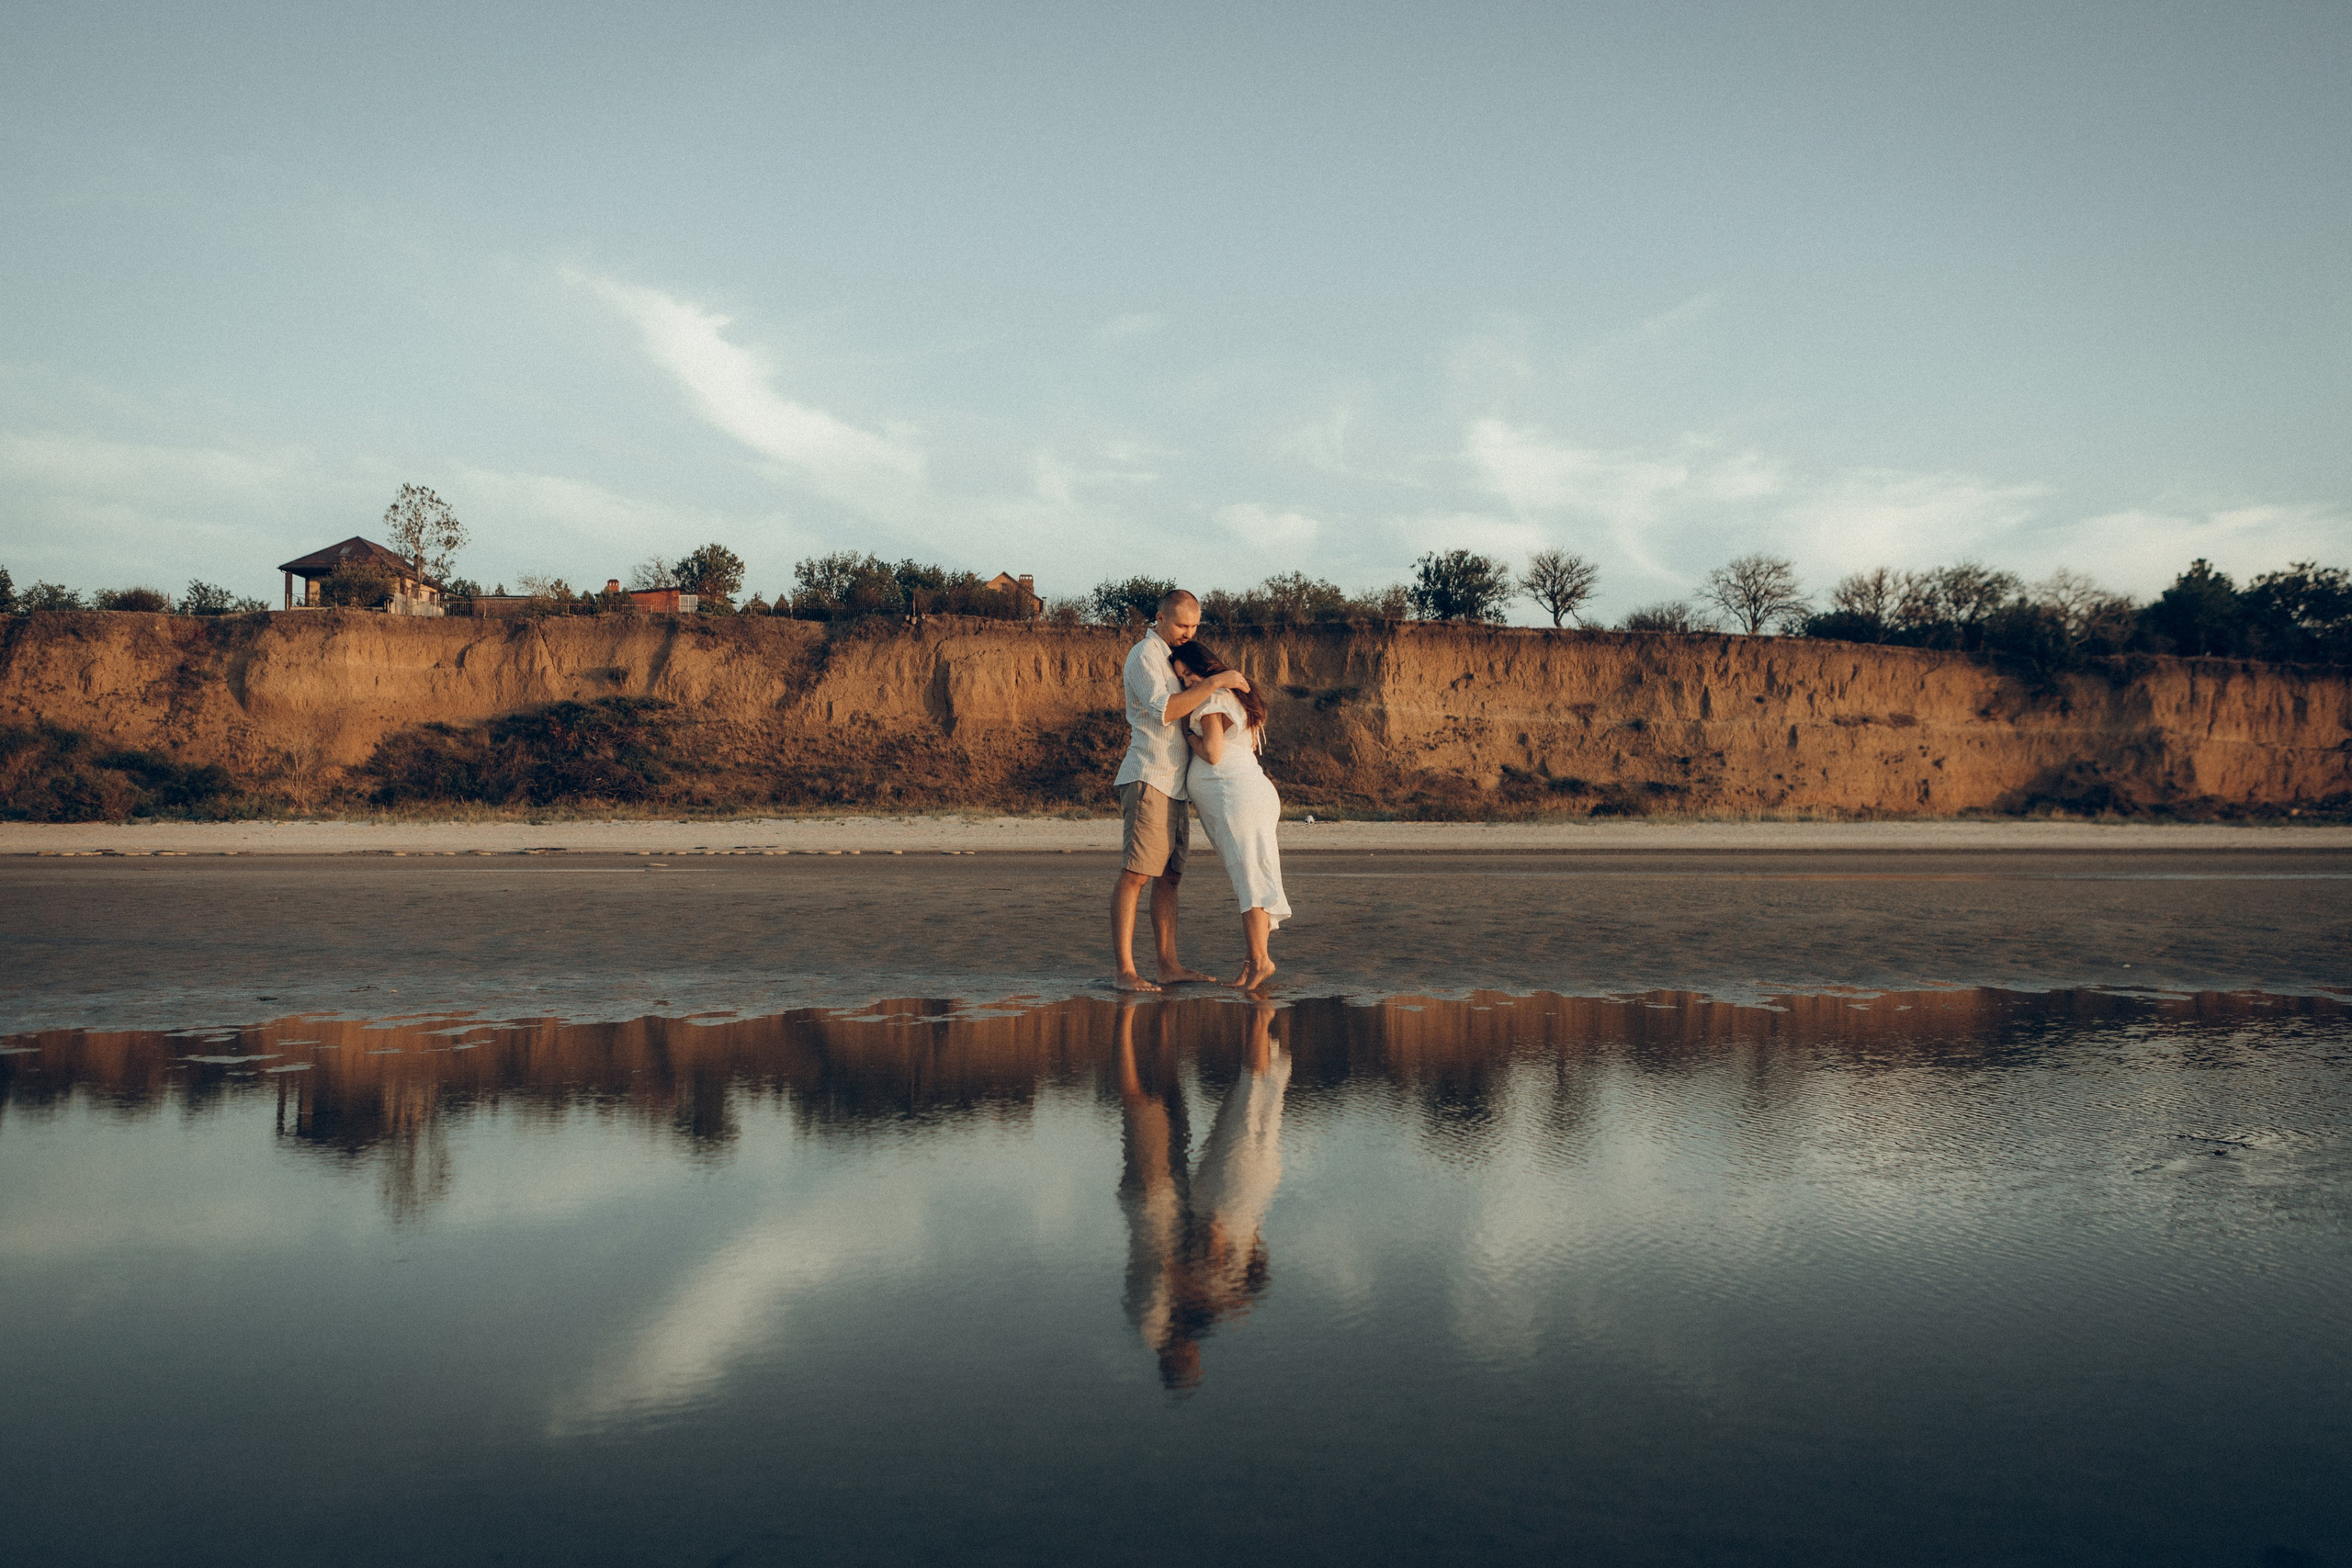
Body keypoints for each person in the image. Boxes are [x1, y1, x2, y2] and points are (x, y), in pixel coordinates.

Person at [1111, 589, 1253, 992]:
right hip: (1148, 776)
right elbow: (1166, 709)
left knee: (1170, 876)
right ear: (1159, 618)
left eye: (1194, 626)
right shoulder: (1144, 655)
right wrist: (1217, 681)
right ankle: (1124, 970)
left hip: (1175, 783)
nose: (1188, 633)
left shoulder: (1173, 659)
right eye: (1180, 625)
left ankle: (1168, 965)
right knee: (1136, 874)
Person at [1170, 638, 1291, 988]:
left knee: (1250, 879)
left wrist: (1186, 735)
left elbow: (1212, 752)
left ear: (1207, 666)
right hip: (1246, 794)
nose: (1188, 682)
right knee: (1253, 875)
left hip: (1236, 796)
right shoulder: (1232, 696)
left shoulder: (1212, 700)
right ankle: (1254, 961)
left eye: (1191, 673)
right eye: (1181, 678)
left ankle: (1261, 961)